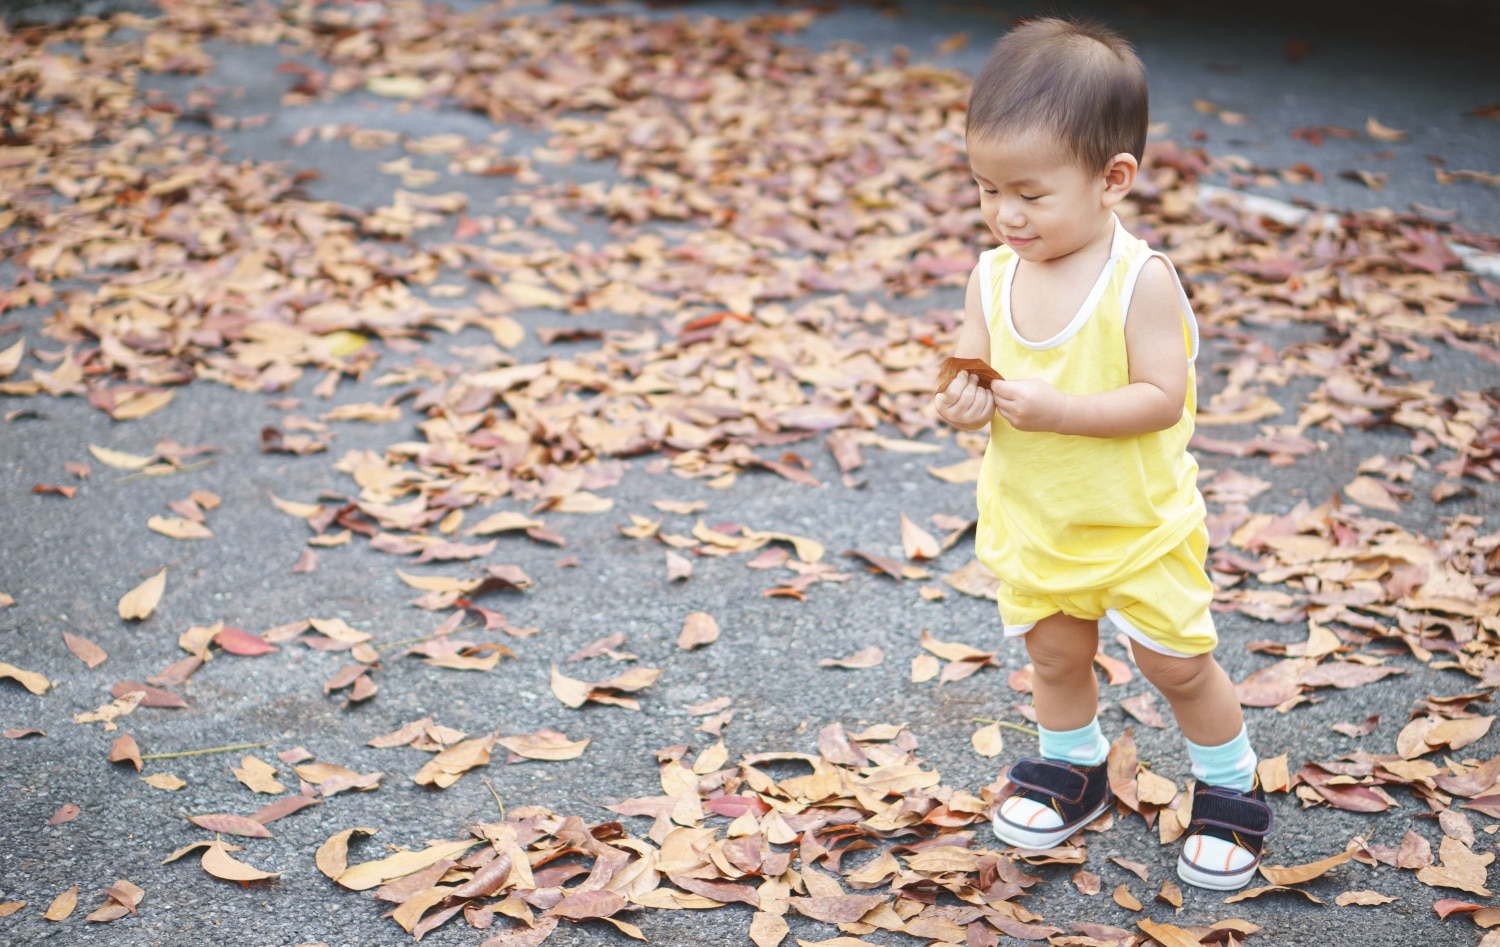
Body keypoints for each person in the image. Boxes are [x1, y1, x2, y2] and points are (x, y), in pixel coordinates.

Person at [932, 16, 1271, 891]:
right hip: (1039, 516)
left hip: (1137, 523)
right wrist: (963, 406)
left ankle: (1230, 781)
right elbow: (973, 371)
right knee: (1053, 651)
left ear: (1113, 178)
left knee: (1176, 661)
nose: (1005, 212)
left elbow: (1163, 398)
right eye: (984, 188)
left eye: (1030, 194)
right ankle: (1072, 766)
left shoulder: (1139, 280)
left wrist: (1059, 408)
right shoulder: (991, 274)